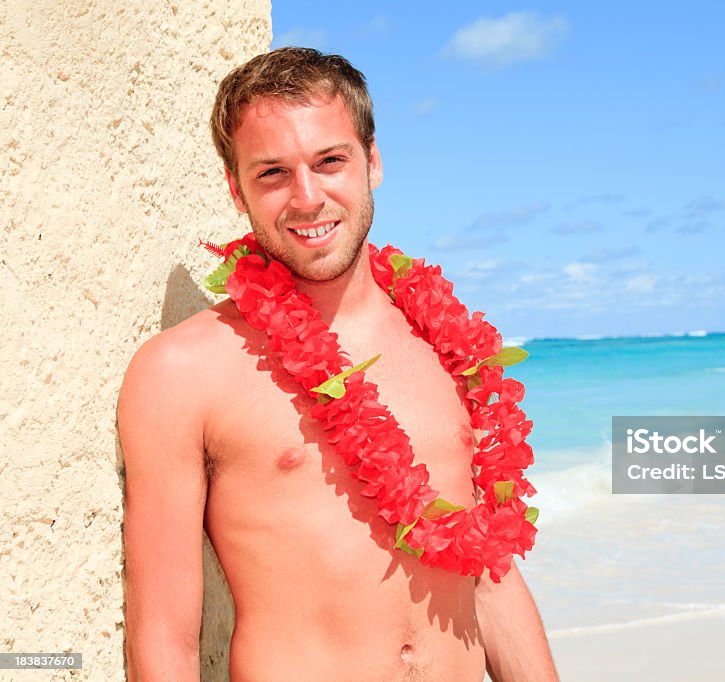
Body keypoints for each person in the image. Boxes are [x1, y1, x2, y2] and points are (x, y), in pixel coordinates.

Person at [118, 47, 558, 682]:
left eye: (329, 162)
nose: (307, 197)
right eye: (272, 173)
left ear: (371, 161)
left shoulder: (445, 343)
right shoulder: (181, 371)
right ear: (234, 186)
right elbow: (164, 640)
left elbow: (486, 574)